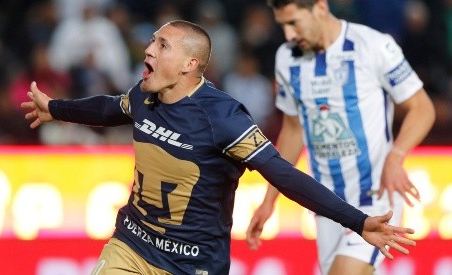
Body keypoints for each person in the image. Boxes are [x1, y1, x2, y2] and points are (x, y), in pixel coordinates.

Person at [22, 20, 416, 275]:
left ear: (189, 64)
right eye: (152, 42)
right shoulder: (144, 96)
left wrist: (358, 221)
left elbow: (285, 174)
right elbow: (109, 109)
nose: (148, 51)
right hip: (132, 243)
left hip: (193, 264)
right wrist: (55, 108)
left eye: (162, 45)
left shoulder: (224, 118)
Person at [245, 1, 436, 275]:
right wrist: (269, 200)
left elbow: (422, 107)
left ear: (320, 7)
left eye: (294, 22)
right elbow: (293, 130)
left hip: (375, 200)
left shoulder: (372, 45)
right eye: (283, 25)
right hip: (327, 208)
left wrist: (396, 156)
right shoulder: (287, 58)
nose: (288, 35)